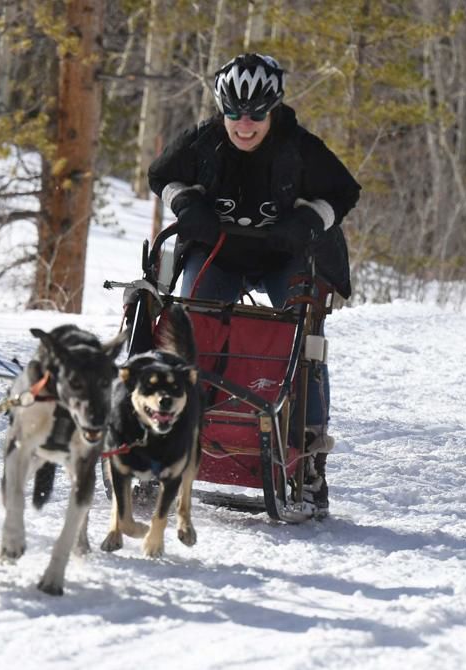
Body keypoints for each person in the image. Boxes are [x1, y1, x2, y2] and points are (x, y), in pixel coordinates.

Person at [147, 53, 361, 517]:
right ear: (221, 108)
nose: (244, 125)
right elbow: (160, 175)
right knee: (190, 332)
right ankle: (169, 438)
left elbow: (344, 192)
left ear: (274, 109)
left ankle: (309, 458)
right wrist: (187, 204)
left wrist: (308, 221)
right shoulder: (203, 141)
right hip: (220, 253)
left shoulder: (300, 148)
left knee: (305, 345)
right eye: (234, 113)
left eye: (257, 114)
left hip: (285, 256)